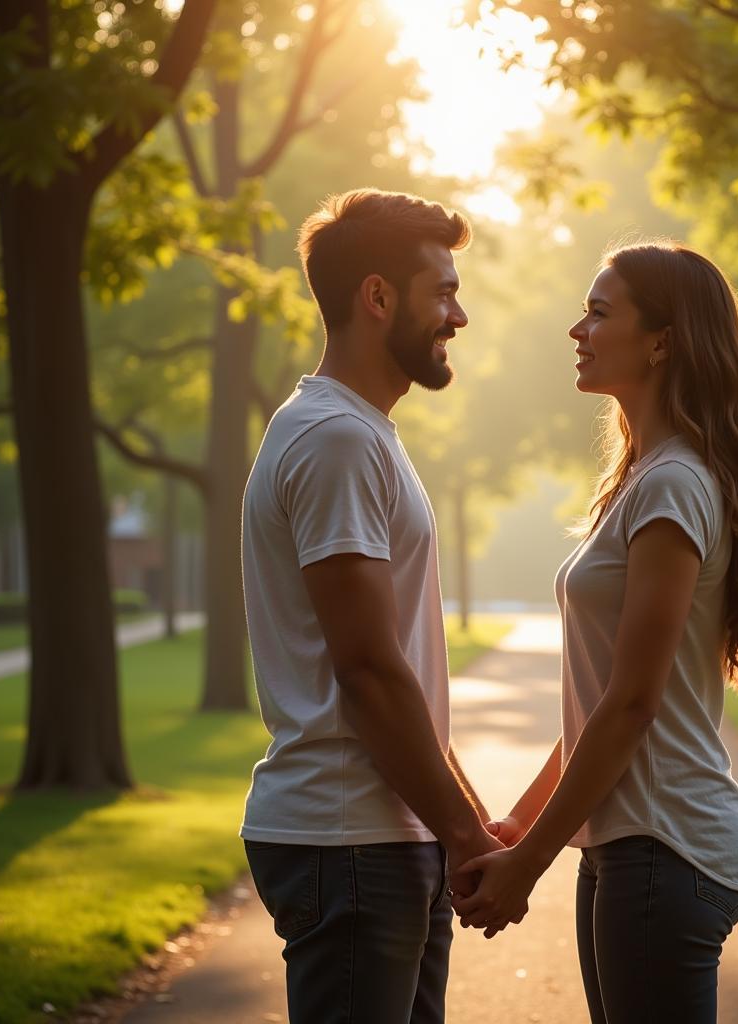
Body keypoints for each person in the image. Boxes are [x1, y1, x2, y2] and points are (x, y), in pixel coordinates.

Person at [453, 241, 738, 1024]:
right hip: (630, 846)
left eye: (599, 312)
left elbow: (634, 704)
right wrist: (518, 825)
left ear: (663, 340)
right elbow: (601, 702)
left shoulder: (674, 484)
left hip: (664, 848)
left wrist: (525, 867)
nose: (578, 329)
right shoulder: (647, 481)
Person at [240, 188, 504, 1024]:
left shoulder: (361, 433)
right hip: (348, 837)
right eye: (444, 292)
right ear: (378, 296)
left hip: (385, 833)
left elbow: (402, 675)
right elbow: (368, 671)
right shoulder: (338, 440)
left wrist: (463, 825)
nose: (457, 316)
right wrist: (465, 837)